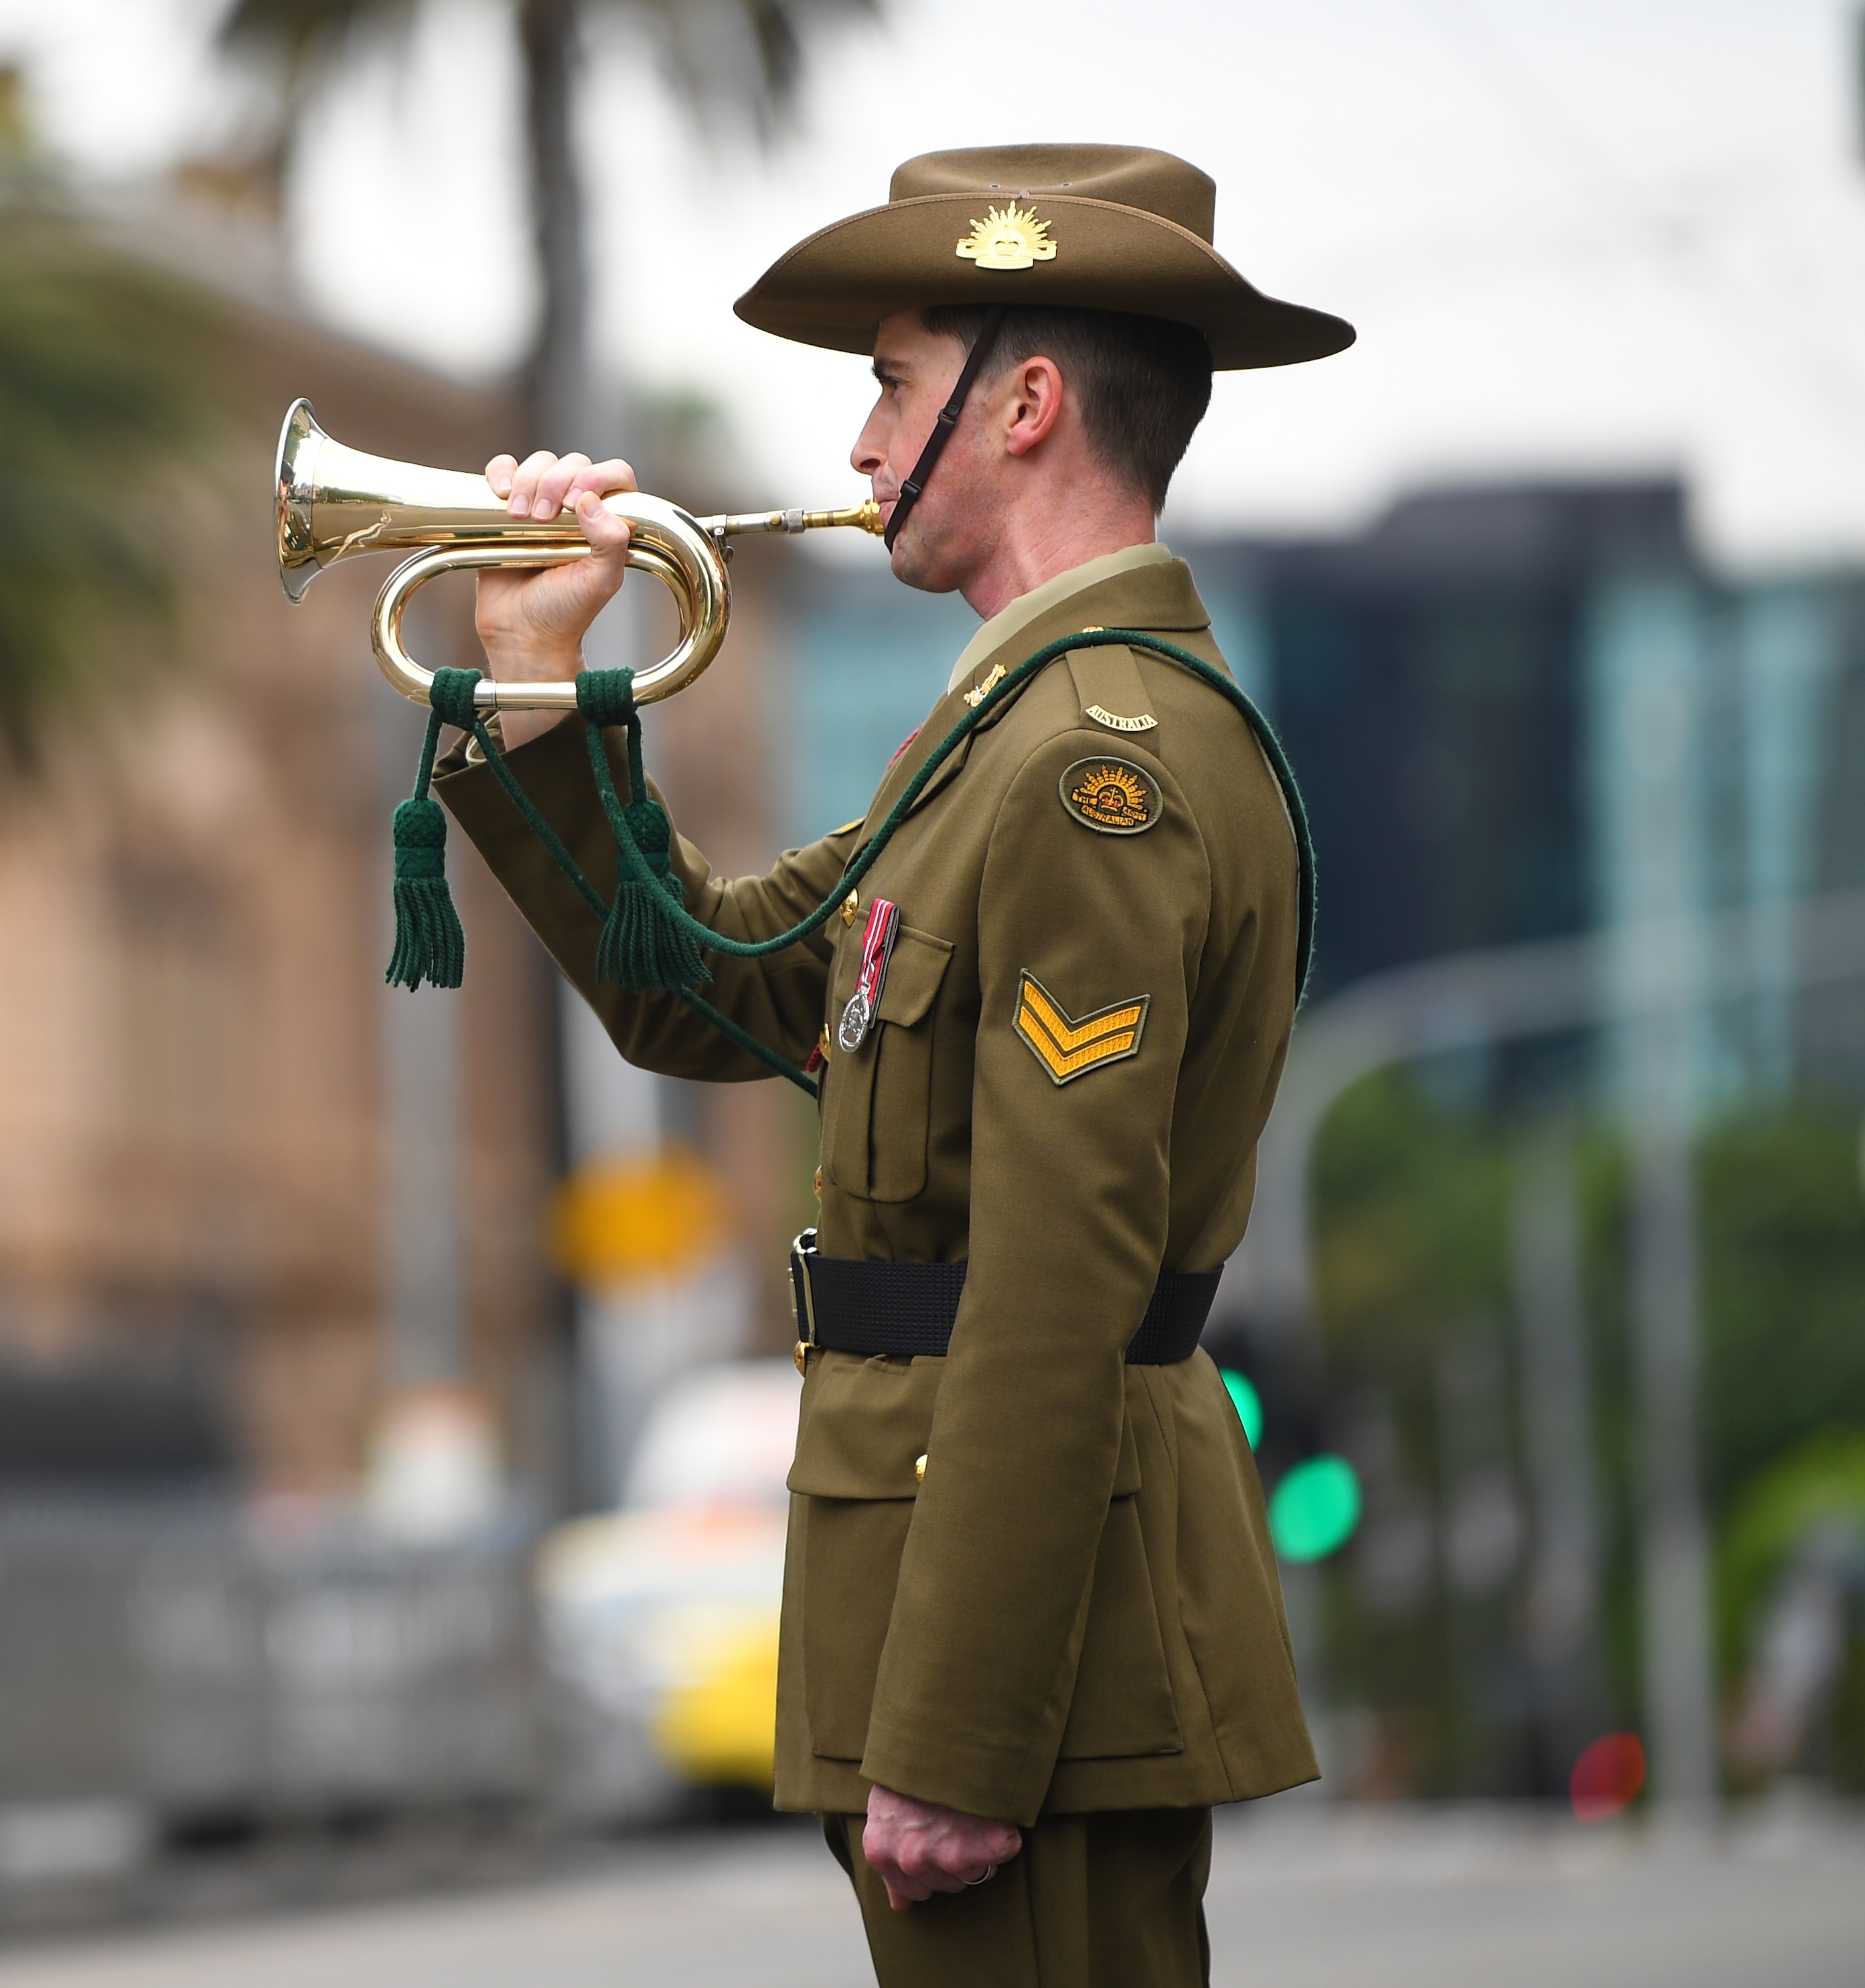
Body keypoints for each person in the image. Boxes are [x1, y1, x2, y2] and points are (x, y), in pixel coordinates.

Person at [435, 146, 1349, 1987]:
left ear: (1022, 408)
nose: (858, 449)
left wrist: (961, 1729)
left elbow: (1054, 1282)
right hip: (975, 1609)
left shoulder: (1098, 768)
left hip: (1027, 1648)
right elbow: (705, 991)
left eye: (891, 385)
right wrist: (540, 681)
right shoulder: (1002, 739)